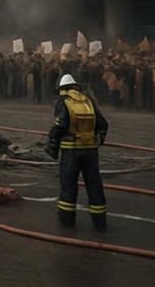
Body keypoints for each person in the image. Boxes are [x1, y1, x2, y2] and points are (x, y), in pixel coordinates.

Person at [46, 73, 108, 230]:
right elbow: (102, 123)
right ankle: (99, 222)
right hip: (91, 152)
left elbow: (60, 125)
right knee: (94, 186)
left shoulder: (63, 101)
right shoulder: (88, 101)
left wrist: (52, 146)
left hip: (71, 151)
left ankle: (67, 222)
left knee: (68, 186)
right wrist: (99, 137)